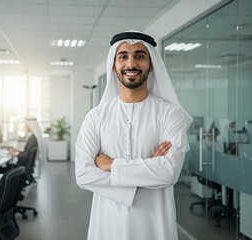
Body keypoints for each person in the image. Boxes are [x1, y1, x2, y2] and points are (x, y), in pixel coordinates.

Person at [75, 30, 192, 240]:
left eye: (139, 56)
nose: (131, 64)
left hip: (154, 225)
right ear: (114, 65)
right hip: (107, 223)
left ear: (151, 64)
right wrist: (149, 168)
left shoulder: (170, 114)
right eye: (123, 56)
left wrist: (111, 165)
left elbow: (169, 172)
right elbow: (83, 174)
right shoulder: (96, 117)